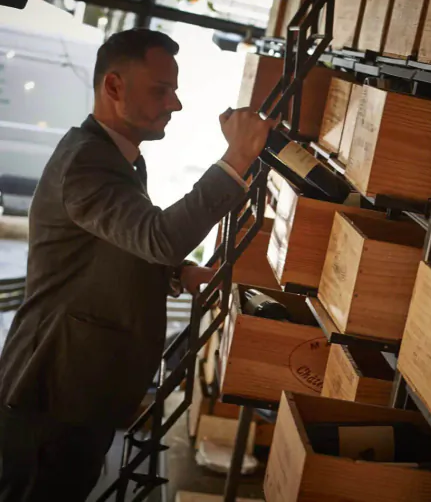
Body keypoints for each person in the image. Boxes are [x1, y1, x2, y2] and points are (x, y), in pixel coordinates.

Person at [0, 28, 272, 500]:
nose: (175, 104)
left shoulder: (115, 157)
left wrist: (176, 273)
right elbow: (158, 237)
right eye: (161, 90)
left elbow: (116, 245)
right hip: (54, 392)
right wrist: (236, 159)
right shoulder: (86, 162)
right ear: (113, 86)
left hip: (79, 388)